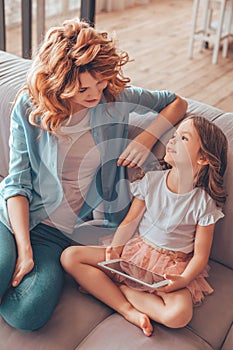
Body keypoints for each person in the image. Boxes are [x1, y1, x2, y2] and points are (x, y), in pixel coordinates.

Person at [0, 18, 187, 331]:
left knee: (28, 315)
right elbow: (17, 185)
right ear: (58, 82)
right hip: (17, 217)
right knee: (5, 266)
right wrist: (24, 252)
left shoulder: (115, 101)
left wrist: (146, 138)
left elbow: (175, 102)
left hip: (61, 234)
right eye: (83, 88)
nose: (95, 95)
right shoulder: (29, 107)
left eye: (100, 83)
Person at [61, 116, 228, 337]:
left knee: (178, 316)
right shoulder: (151, 181)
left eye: (183, 138)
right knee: (70, 257)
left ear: (203, 158)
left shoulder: (203, 203)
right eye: (174, 135)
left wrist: (185, 279)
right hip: (135, 254)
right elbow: (130, 222)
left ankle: (119, 291)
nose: (172, 140)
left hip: (172, 267)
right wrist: (117, 247)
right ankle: (127, 309)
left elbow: (200, 256)